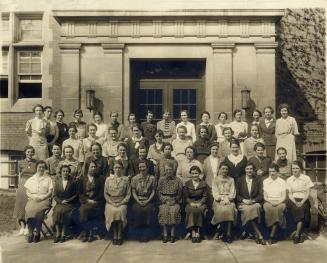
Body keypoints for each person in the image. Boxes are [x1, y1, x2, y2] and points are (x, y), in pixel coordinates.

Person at [236, 162, 265, 245]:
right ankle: (258, 235)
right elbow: (236, 195)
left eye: (251, 169)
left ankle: (250, 231)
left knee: (254, 208)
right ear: (245, 170)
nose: (249, 170)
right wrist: (244, 200)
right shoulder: (240, 180)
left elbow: (261, 195)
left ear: (253, 170)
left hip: (255, 202)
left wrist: (253, 201)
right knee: (249, 210)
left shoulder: (258, 180)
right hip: (243, 202)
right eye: (247, 169)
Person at [24, 161, 53, 243]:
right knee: (29, 209)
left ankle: (37, 232)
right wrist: (33, 197)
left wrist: (43, 197)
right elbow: (27, 192)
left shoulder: (48, 179)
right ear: (36, 168)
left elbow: (50, 192)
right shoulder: (31, 179)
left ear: (45, 169)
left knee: (37, 210)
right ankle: (30, 233)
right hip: (33, 199)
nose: (41, 169)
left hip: (45, 199)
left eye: (43, 167)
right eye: (39, 167)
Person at [286, 161, 314, 244]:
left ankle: (297, 234)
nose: (295, 170)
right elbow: (290, 194)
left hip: (304, 199)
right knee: (294, 208)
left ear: (301, 169)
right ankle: (297, 232)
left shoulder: (306, 178)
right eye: (293, 168)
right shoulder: (289, 180)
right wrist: (295, 202)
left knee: (301, 208)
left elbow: (308, 193)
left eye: (297, 168)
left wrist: (301, 202)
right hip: (293, 199)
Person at [104, 160, 131, 245]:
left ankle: (119, 234)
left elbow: (128, 194)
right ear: (113, 169)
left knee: (120, 211)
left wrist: (121, 202)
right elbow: (105, 193)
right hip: (111, 202)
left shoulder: (126, 179)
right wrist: (111, 203)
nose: (117, 169)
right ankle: (114, 234)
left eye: (119, 167)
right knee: (112, 211)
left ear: (122, 169)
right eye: (116, 167)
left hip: (122, 202)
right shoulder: (108, 179)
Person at [13, 146, 37, 236]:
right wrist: (18, 188)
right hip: (22, 185)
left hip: (32, 185)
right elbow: (19, 175)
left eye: (31, 152)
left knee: (29, 205)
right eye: (28, 152)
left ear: (33, 153)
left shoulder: (36, 162)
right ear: (25, 153)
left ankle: (28, 227)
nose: (29, 154)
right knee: (21, 206)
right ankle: (22, 227)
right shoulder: (20, 162)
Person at [78, 161, 104, 242]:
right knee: (83, 210)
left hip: (96, 202)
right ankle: (86, 231)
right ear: (87, 168)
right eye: (91, 167)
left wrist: (94, 200)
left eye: (94, 167)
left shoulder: (99, 179)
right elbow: (80, 193)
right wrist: (87, 200)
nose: (93, 168)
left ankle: (90, 232)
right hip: (86, 201)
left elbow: (101, 192)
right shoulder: (82, 179)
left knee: (91, 210)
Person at [157, 163, 183, 243]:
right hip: (164, 201)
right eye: (167, 170)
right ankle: (165, 233)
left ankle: (172, 233)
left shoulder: (177, 180)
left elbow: (180, 193)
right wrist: (165, 200)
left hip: (174, 200)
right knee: (164, 211)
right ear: (164, 171)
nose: (169, 171)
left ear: (173, 170)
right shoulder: (161, 180)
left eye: (170, 170)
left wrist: (175, 200)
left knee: (174, 211)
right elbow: (159, 192)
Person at [131, 161, 156, 242]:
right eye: (140, 167)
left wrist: (148, 201)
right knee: (137, 210)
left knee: (148, 210)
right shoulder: (134, 178)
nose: (142, 169)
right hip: (138, 200)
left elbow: (153, 191)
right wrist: (138, 201)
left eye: (143, 167)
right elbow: (133, 192)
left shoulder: (152, 178)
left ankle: (146, 234)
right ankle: (139, 234)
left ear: (147, 168)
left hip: (148, 200)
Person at [52, 165, 79, 243]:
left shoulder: (73, 182)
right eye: (63, 171)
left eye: (67, 171)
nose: (65, 173)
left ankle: (63, 233)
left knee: (64, 212)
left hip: (69, 204)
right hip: (60, 203)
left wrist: (67, 200)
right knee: (56, 212)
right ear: (61, 172)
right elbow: (54, 195)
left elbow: (76, 194)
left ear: (69, 173)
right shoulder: (57, 182)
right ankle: (58, 233)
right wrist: (60, 201)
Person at [211, 163, 236, 243]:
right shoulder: (215, 180)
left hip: (229, 200)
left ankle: (228, 233)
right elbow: (215, 193)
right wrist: (221, 199)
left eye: (226, 169)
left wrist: (228, 199)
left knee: (230, 209)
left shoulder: (231, 180)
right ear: (219, 169)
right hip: (218, 200)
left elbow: (232, 192)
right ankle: (223, 232)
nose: (224, 170)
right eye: (223, 169)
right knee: (221, 210)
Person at [263, 163, 287, 245]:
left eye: (273, 171)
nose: (272, 173)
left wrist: (278, 202)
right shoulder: (265, 181)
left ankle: (271, 235)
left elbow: (284, 196)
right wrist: (271, 202)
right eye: (270, 171)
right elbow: (265, 196)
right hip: (268, 201)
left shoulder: (282, 182)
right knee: (269, 209)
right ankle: (273, 233)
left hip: (280, 202)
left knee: (278, 209)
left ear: (277, 172)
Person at [184, 166, 208, 243]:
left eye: (196, 173)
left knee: (199, 210)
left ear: (199, 174)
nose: (194, 175)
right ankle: (193, 232)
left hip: (200, 202)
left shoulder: (203, 183)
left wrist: (200, 203)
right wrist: (191, 203)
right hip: (190, 203)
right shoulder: (187, 183)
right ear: (190, 174)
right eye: (193, 173)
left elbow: (205, 196)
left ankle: (197, 231)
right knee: (191, 210)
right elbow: (186, 197)